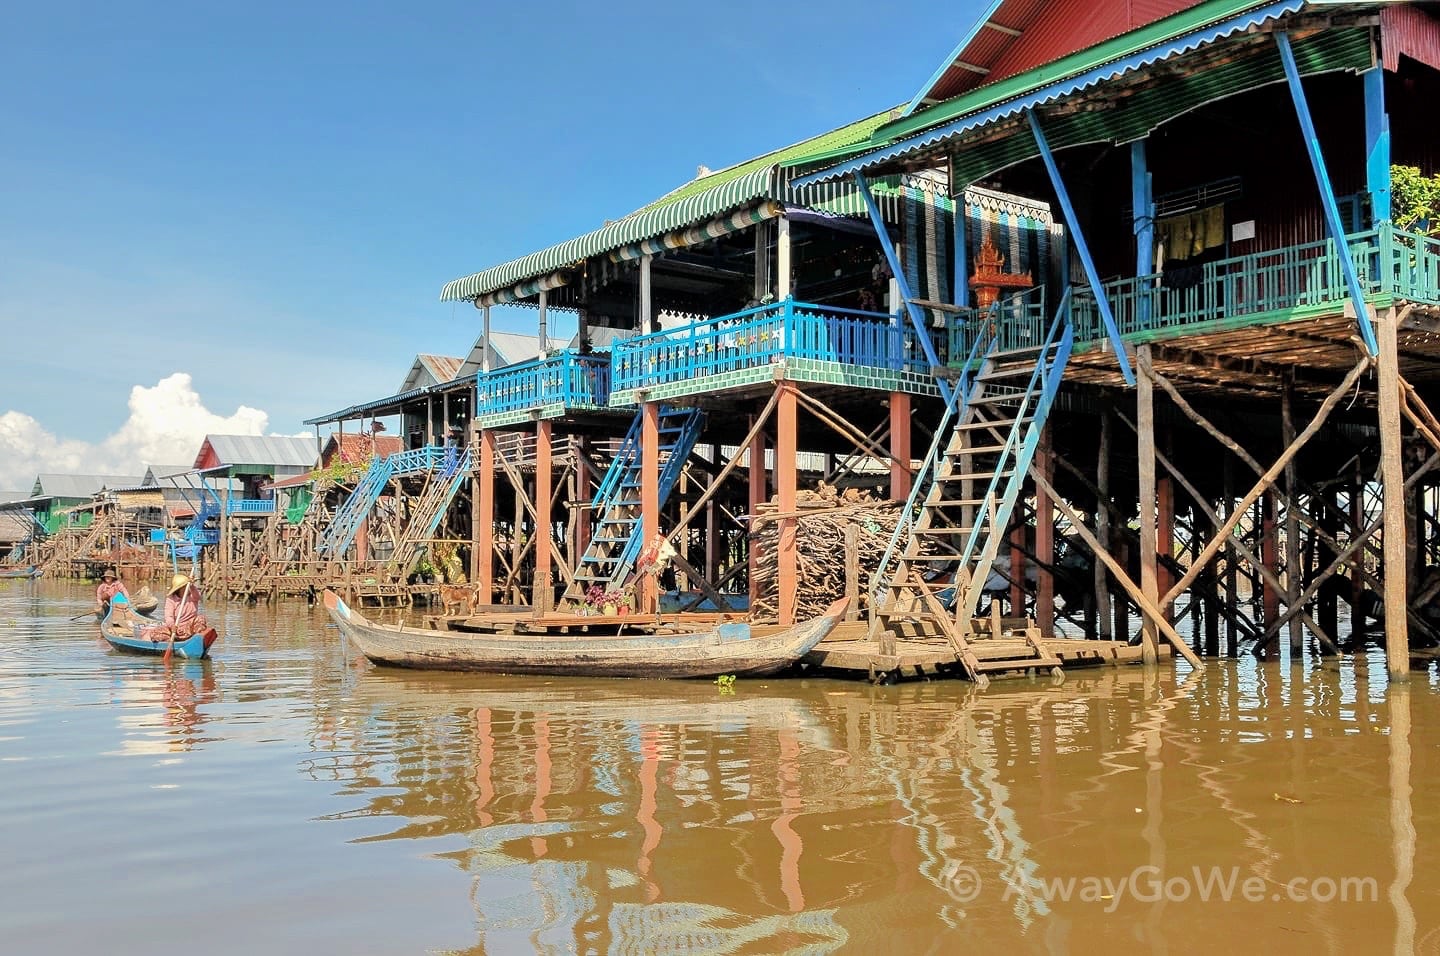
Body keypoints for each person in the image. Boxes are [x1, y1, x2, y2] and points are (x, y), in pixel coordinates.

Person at [141, 573, 210, 643]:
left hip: (190, 627)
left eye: (187, 586)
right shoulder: (171, 599)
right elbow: (168, 617)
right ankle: (172, 643)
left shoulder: (192, 595)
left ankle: (197, 640)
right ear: (178, 589)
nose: (186, 588)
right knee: (155, 633)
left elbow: (198, 597)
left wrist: (192, 586)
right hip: (176, 628)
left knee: (200, 618)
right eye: (184, 586)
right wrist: (172, 626)